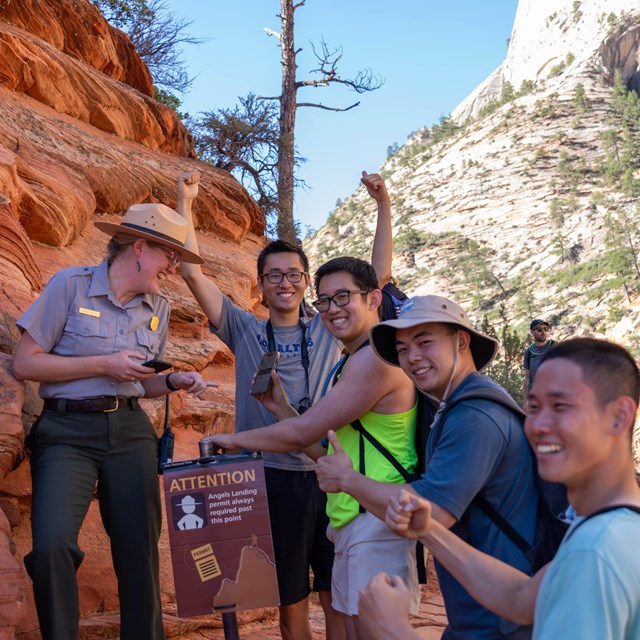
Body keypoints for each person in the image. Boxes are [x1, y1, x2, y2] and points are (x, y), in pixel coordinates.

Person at [177, 171, 393, 640]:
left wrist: (383, 207)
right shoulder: (244, 329)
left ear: (304, 281)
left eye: (294, 275)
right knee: (290, 596)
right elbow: (191, 271)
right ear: (261, 283)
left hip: (332, 474)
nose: (285, 283)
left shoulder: (327, 327)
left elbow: (376, 278)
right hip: (270, 478)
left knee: (336, 594)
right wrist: (185, 201)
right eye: (273, 275)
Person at [12, 203, 216, 640]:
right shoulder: (70, 285)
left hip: (130, 432)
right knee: (51, 548)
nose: (174, 268)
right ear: (139, 247)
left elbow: (139, 385)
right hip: (66, 433)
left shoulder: (158, 307)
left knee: (139, 554)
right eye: (170, 256)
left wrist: (174, 380)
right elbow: (25, 364)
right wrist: (104, 363)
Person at [361, 337, 640, 640]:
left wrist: (395, 631)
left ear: (619, 416)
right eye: (533, 407)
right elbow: (522, 598)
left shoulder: (594, 552)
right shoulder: (613, 527)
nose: (538, 425)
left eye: (560, 406)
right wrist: (429, 530)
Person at [202, 257, 421, 640]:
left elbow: (303, 431)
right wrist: (283, 408)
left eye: (342, 297)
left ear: (372, 299)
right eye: (324, 302)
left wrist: (236, 440)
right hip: (352, 516)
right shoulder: (349, 363)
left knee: (375, 631)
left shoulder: (376, 361)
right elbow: (323, 449)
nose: (333, 309)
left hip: (377, 519)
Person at [317, 295, 538, 639]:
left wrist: (348, 479)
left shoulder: (473, 416)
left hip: (499, 623)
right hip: (482, 613)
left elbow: (432, 512)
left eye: (424, 342)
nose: (411, 357)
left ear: (461, 341)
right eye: (403, 349)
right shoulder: (457, 406)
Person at [523, 319, 556, 405]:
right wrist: (525, 402)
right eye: (539, 330)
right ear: (532, 332)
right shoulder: (529, 352)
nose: (543, 332)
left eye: (545, 329)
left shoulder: (554, 346)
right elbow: (527, 379)